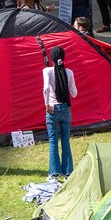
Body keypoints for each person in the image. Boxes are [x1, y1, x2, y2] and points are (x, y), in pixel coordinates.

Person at [43, 46, 77, 179]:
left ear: (51, 59)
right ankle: (68, 172)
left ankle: (54, 173)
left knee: (53, 140)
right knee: (65, 140)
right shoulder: (69, 72)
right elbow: (74, 93)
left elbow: (46, 88)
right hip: (66, 108)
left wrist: (47, 104)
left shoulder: (47, 71)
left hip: (52, 108)